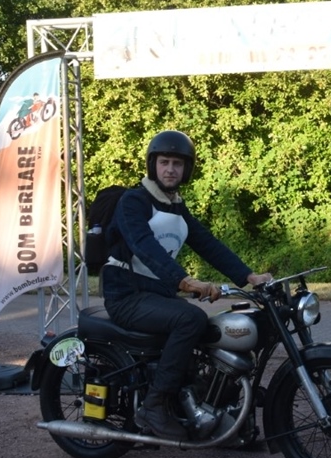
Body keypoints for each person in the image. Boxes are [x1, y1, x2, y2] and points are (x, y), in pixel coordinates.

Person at [101, 130, 272, 439]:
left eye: (177, 164)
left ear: (186, 169)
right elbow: (144, 245)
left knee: (214, 330)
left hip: (156, 296)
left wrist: (248, 276)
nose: (170, 169)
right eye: (164, 162)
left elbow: (207, 244)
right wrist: (184, 280)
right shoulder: (134, 201)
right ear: (153, 165)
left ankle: (210, 406)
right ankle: (153, 405)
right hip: (126, 295)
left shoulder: (176, 206)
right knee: (190, 318)